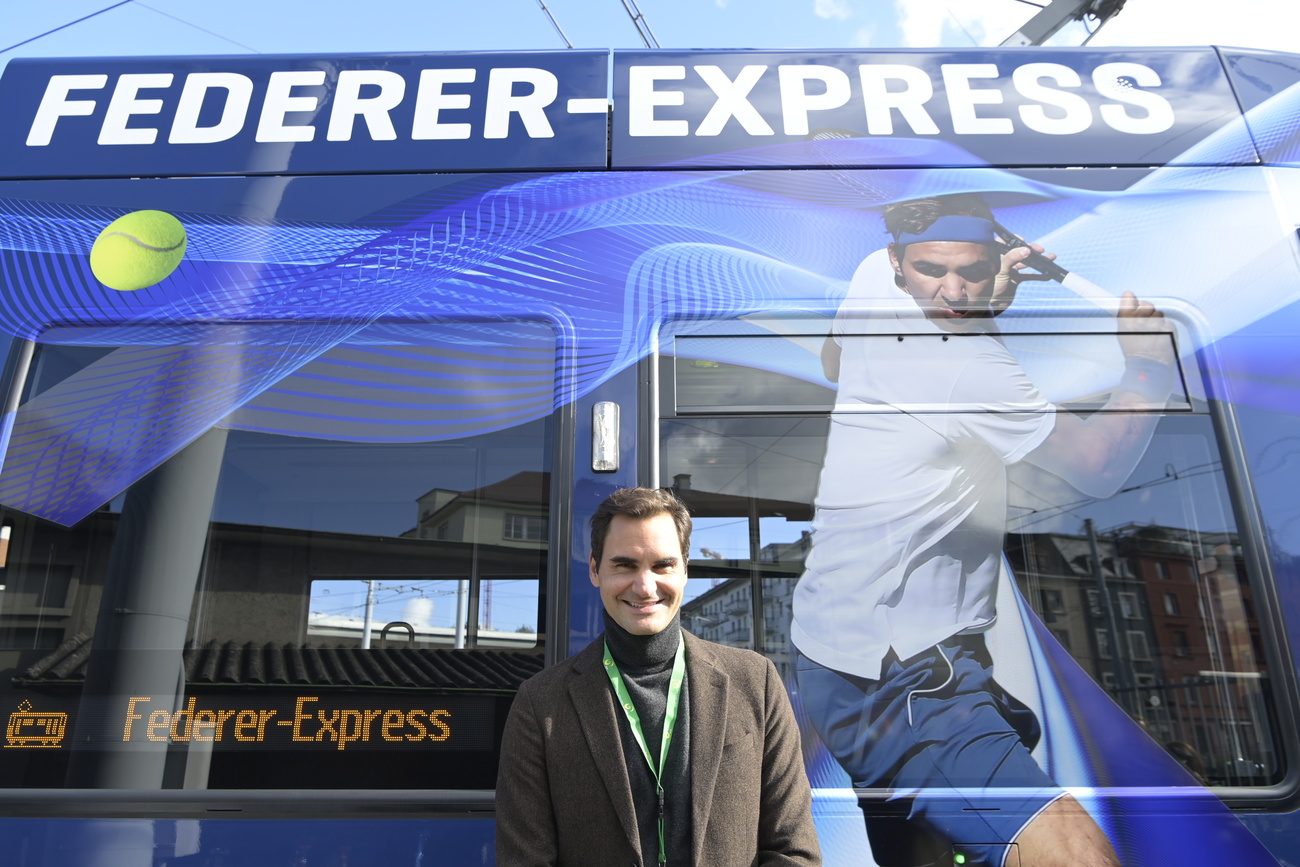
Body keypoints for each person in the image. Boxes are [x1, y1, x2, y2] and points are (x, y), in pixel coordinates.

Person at [793, 194, 1174, 867]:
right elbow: (1098, 464)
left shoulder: (869, 279)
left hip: (844, 649)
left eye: (970, 271)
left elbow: (835, 360)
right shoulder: (967, 368)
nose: (950, 288)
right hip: (904, 672)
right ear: (898, 261)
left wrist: (987, 302)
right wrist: (1148, 365)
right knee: (1081, 857)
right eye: (932, 269)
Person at [496, 486, 822, 867]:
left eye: (662, 565)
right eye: (625, 565)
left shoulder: (755, 682)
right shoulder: (540, 702)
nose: (645, 587)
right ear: (594, 569)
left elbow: (793, 851)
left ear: (686, 569)